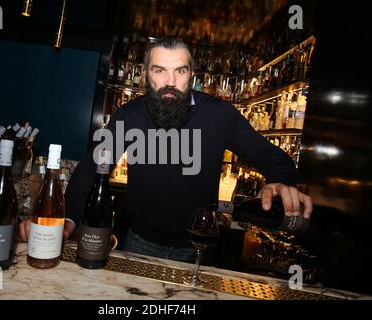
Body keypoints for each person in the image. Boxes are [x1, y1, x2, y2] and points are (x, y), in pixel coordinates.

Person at [19, 37, 313, 263]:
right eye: (160, 70)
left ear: (191, 75)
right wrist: (66, 220)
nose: (170, 82)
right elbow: (91, 167)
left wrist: (281, 181)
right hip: (139, 241)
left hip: (198, 247)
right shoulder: (129, 116)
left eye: (179, 71)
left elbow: (269, 155)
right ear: (146, 74)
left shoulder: (220, 115)